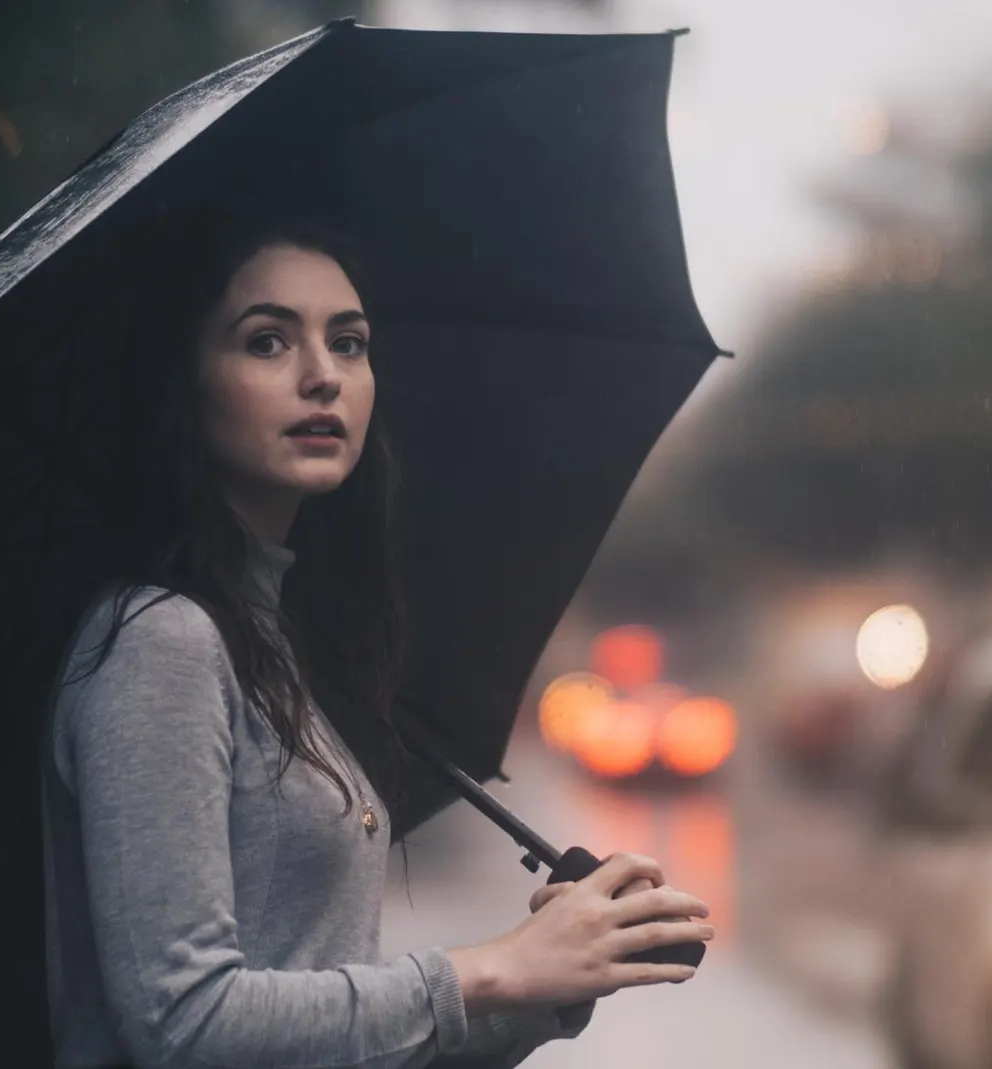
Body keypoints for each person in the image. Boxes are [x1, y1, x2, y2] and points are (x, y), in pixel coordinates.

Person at [40, 209, 715, 1069]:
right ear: (183, 381)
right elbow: (185, 1024)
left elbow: (341, 1039)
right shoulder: (161, 643)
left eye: (350, 342)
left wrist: (554, 979)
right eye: (267, 342)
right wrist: (492, 969)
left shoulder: (274, 639)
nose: (323, 376)